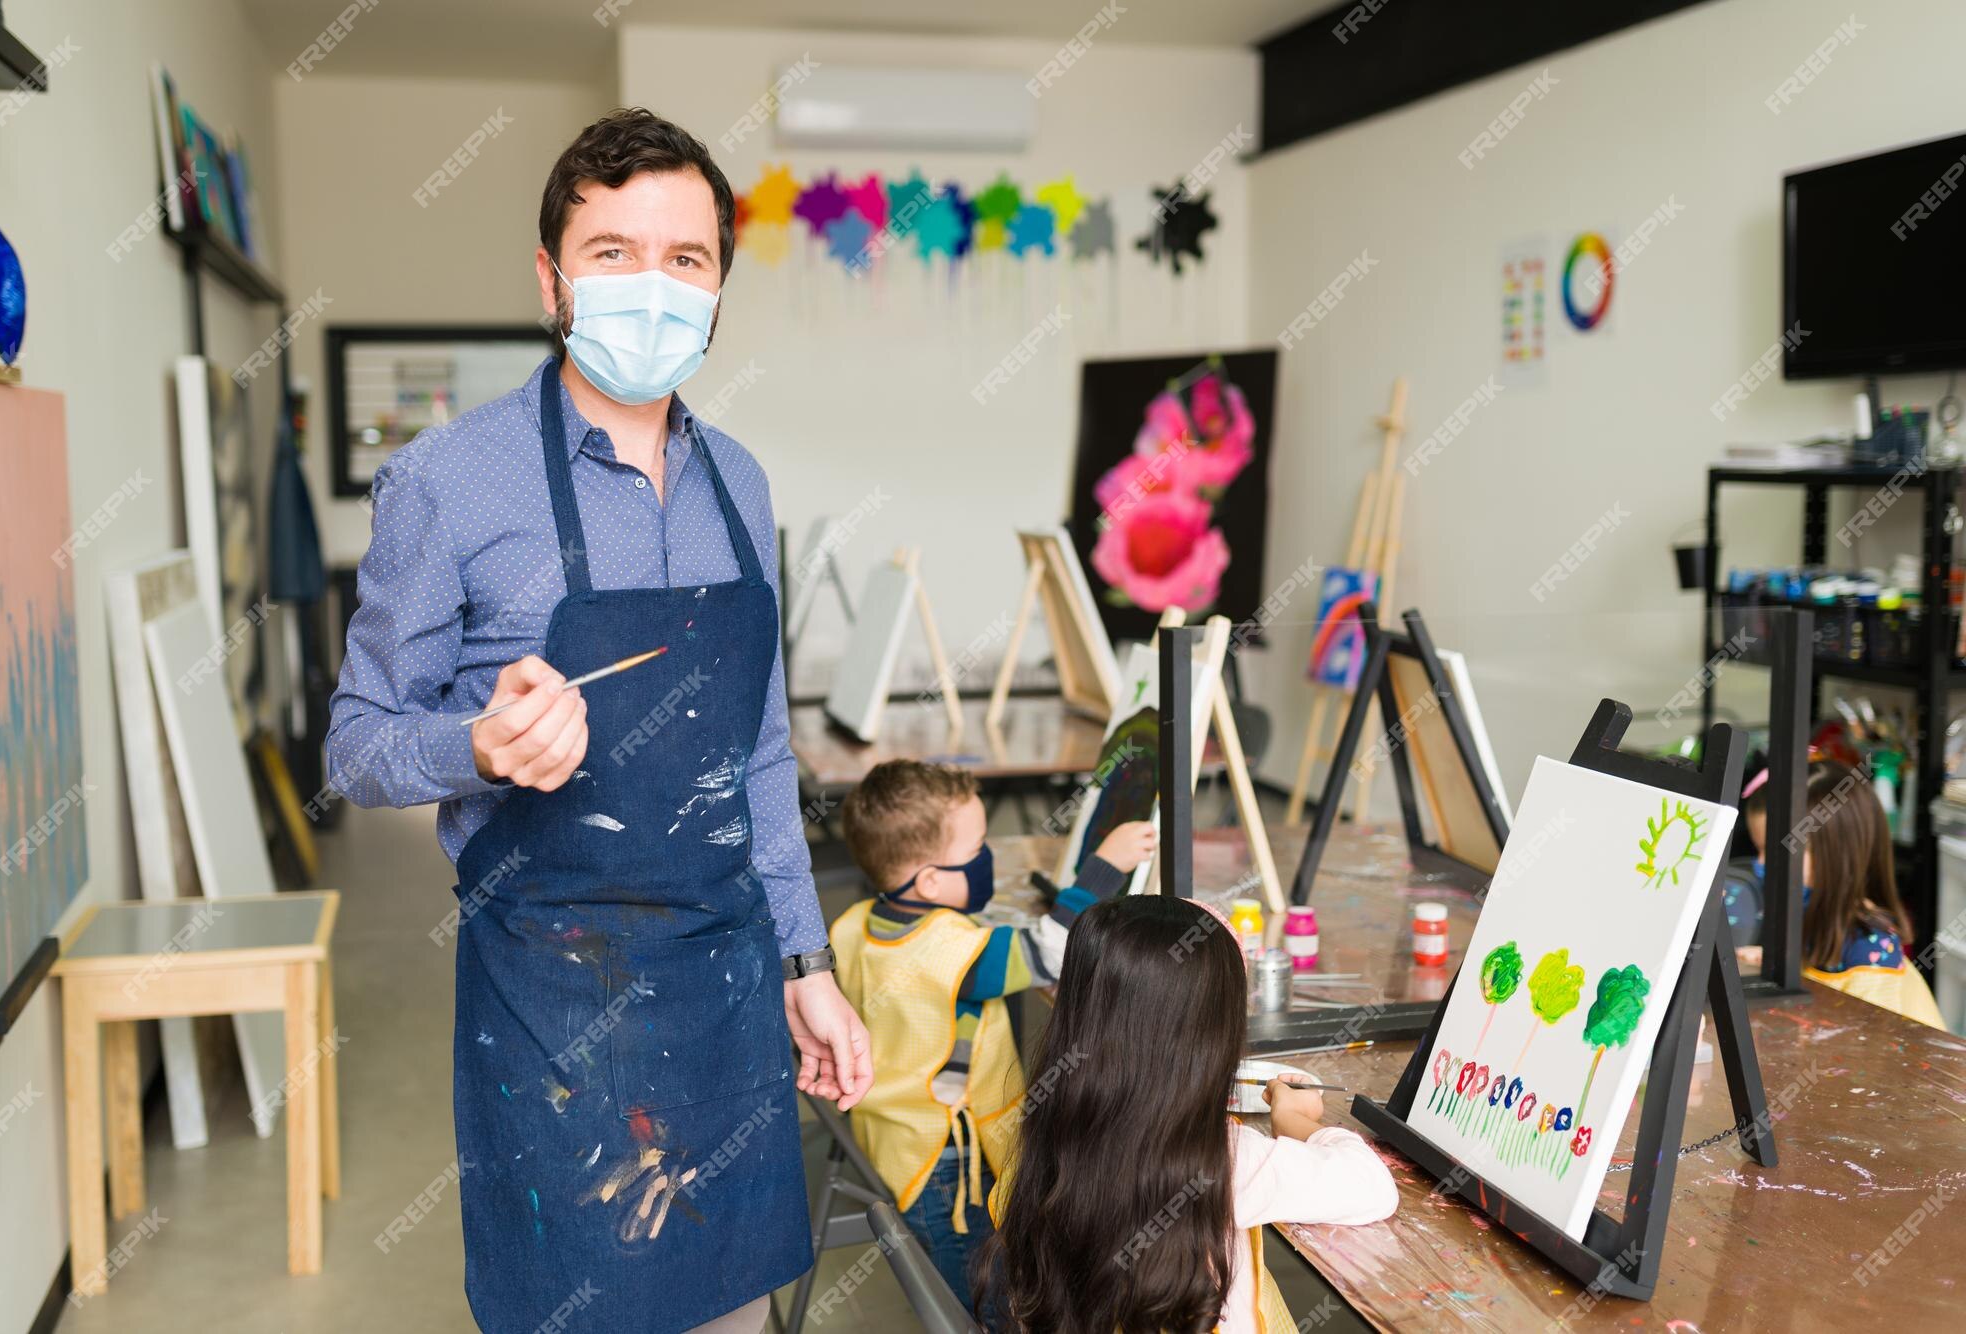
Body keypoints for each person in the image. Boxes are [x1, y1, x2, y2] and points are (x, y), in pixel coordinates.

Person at [325, 108, 871, 1334]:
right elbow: (357, 741)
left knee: (735, 1312)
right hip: (554, 1003)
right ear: (551, 280)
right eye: (613, 250)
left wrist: (809, 963)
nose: (652, 285)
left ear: (719, 287)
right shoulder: (447, 481)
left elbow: (760, 752)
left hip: (727, 985)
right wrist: (472, 744)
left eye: (686, 258)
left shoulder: (742, 479)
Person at [978, 895, 1398, 1333]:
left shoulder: (1055, 1124)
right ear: (1210, 1038)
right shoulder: (1220, 1161)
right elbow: (1373, 1187)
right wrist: (1297, 1122)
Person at [829, 760, 1155, 1312]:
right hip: (952, 1166)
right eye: (977, 847)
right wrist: (1105, 867)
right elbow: (1052, 953)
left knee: (965, 1275)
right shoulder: (954, 952)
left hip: (893, 1137)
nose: (988, 856)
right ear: (930, 880)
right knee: (983, 1291)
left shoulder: (853, 923)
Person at [1731, 761, 1943, 1026]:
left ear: (1837, 855)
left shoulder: (1870, 947)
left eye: (1778, 852)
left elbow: (1870, 1042)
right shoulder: (1806, 908)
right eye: (1758, 849)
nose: (1761, 864)